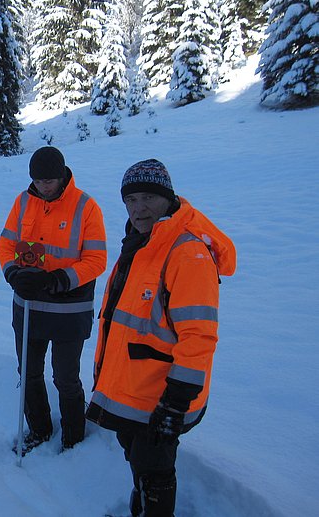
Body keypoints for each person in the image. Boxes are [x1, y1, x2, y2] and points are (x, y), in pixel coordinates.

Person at [86, 159, 236, 516]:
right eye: (131, 199)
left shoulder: (188, 252)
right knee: (138, 461)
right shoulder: (141, 243)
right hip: (130, 389)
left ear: (167, 199)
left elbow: (198, 336)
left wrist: (175, 403)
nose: (139, 208)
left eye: (149, 198)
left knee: (155, 472)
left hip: (160, 396)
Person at [0, 146, 107, 455]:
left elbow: (97, 259)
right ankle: (39, 429)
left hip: (69, 311)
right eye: (39, 180)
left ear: (63, 176)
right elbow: (6, 245)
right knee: (29, 372)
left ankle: (73, 435)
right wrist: (12, 273)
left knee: (65, 377)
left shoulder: (86, 207)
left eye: (51, 180)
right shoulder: (23, 202)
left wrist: (59, 279)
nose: (45, 186)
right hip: (29, 306)